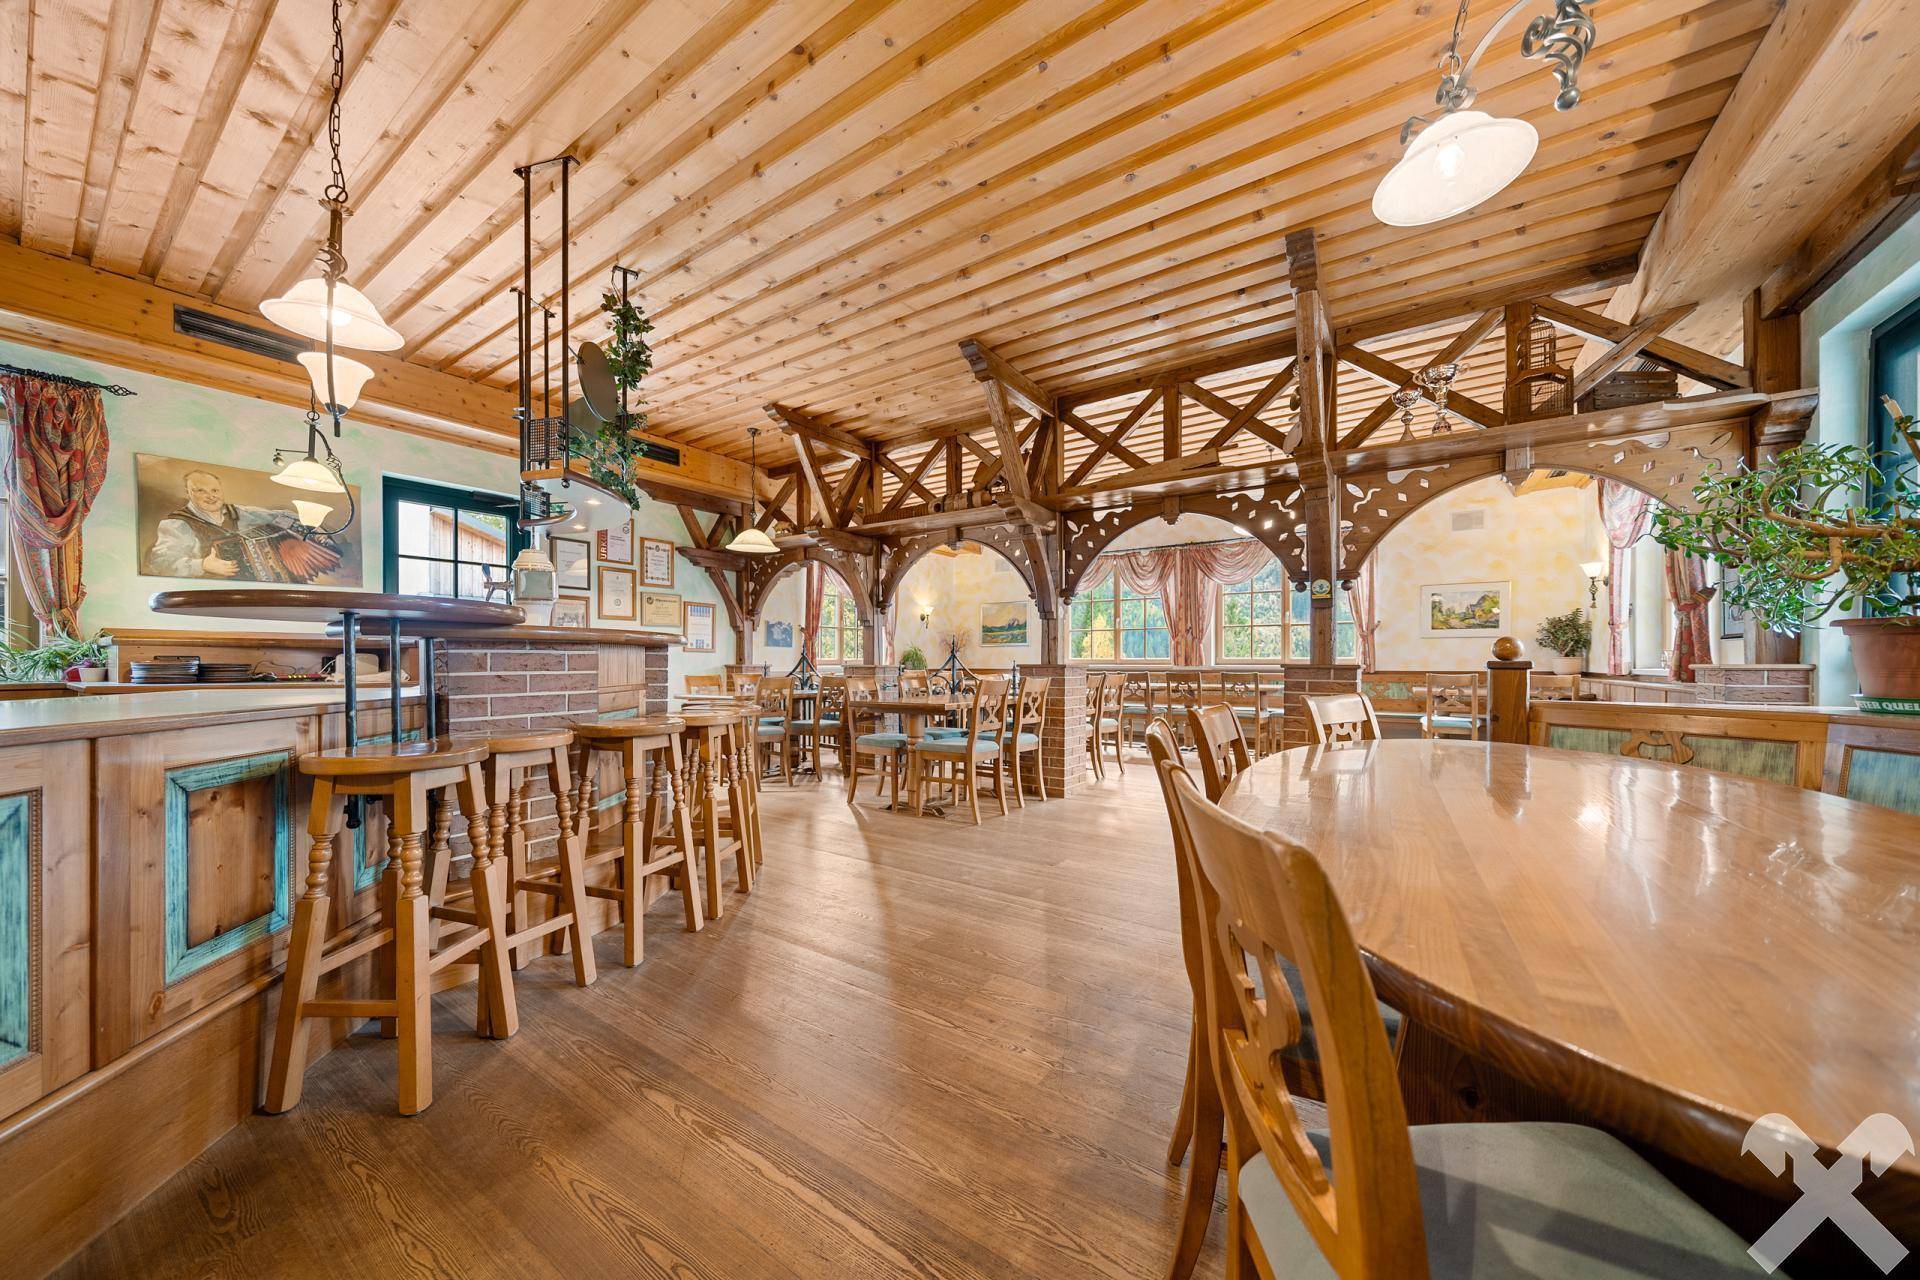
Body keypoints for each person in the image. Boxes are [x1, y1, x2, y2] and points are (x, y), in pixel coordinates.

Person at [145, 470, 338, 581]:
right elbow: (160, 564)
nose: (211, 496)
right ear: (188, 494)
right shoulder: (177, 523)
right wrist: (202, 565)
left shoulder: (238, 512)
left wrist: (310, 528)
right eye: (201, 491)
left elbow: (277, 517)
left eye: (215, 490)